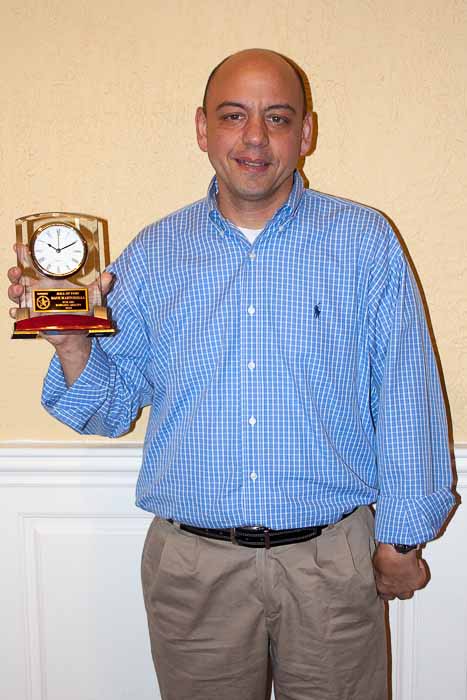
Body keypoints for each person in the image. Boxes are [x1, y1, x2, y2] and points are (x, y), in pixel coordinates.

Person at [8, 49, 454, 700]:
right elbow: (111, 408)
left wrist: (403, 540)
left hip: (330, 567)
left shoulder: (363, 243)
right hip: (194, 573)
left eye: (277, 118)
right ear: (202, 128)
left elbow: (407, 394)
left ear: (305, 132)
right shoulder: (154, 254)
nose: (254, 138)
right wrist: (73, 344)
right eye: (233, 115)